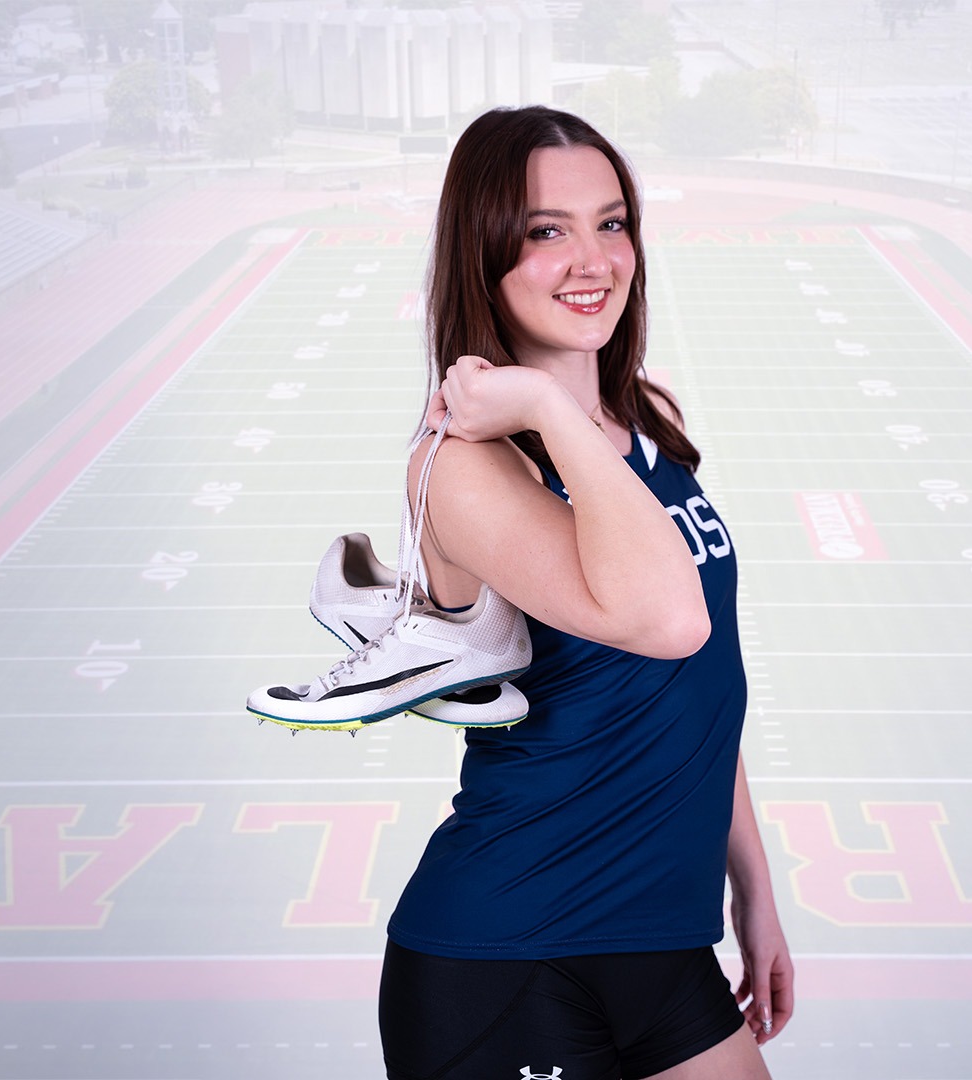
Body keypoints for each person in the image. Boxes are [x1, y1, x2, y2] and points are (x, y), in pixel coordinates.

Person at [376, 105, 794, 1080]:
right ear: (485, 251)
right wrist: (537, 401)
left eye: (612, 223)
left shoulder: (646, 423)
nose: (594, 259)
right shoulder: (462, 463)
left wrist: (753, 888)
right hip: (509, 951)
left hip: (661, 938)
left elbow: (699, 682)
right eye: (546, 231)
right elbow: (668, 621)